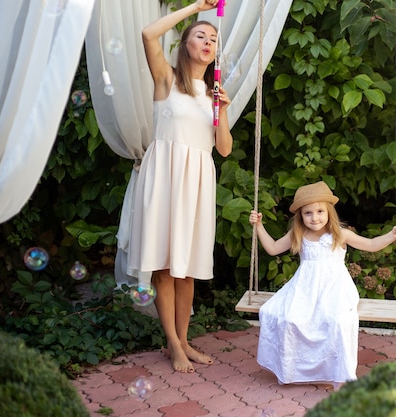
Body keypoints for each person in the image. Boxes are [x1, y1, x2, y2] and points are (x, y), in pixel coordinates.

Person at [127, 0, 233, 373]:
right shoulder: (166, 79)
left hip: (198, 181)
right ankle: (172, 344)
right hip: (166, 176)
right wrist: (195, 9)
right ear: (186, 43)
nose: (208, 41)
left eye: (214, 38)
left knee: (186, 268)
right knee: (164, 267)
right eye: (200, 36)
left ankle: (185, 341)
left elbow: (223, 148)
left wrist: (224, 112)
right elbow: (147, 34)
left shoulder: (214, 94)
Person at [249, 181, 396, 389]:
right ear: (301, 216)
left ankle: (340, 374)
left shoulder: (340, 234)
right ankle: (291, 369)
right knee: (287, 318)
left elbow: (370, 245)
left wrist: (392, 235)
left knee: (338, 322)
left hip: (335, 290)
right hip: (304, 289)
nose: (315, 217)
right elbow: (272, 248)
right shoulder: (298, 235)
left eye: (320, 211)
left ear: (329, 212)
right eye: (308, 213)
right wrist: (258, 226)